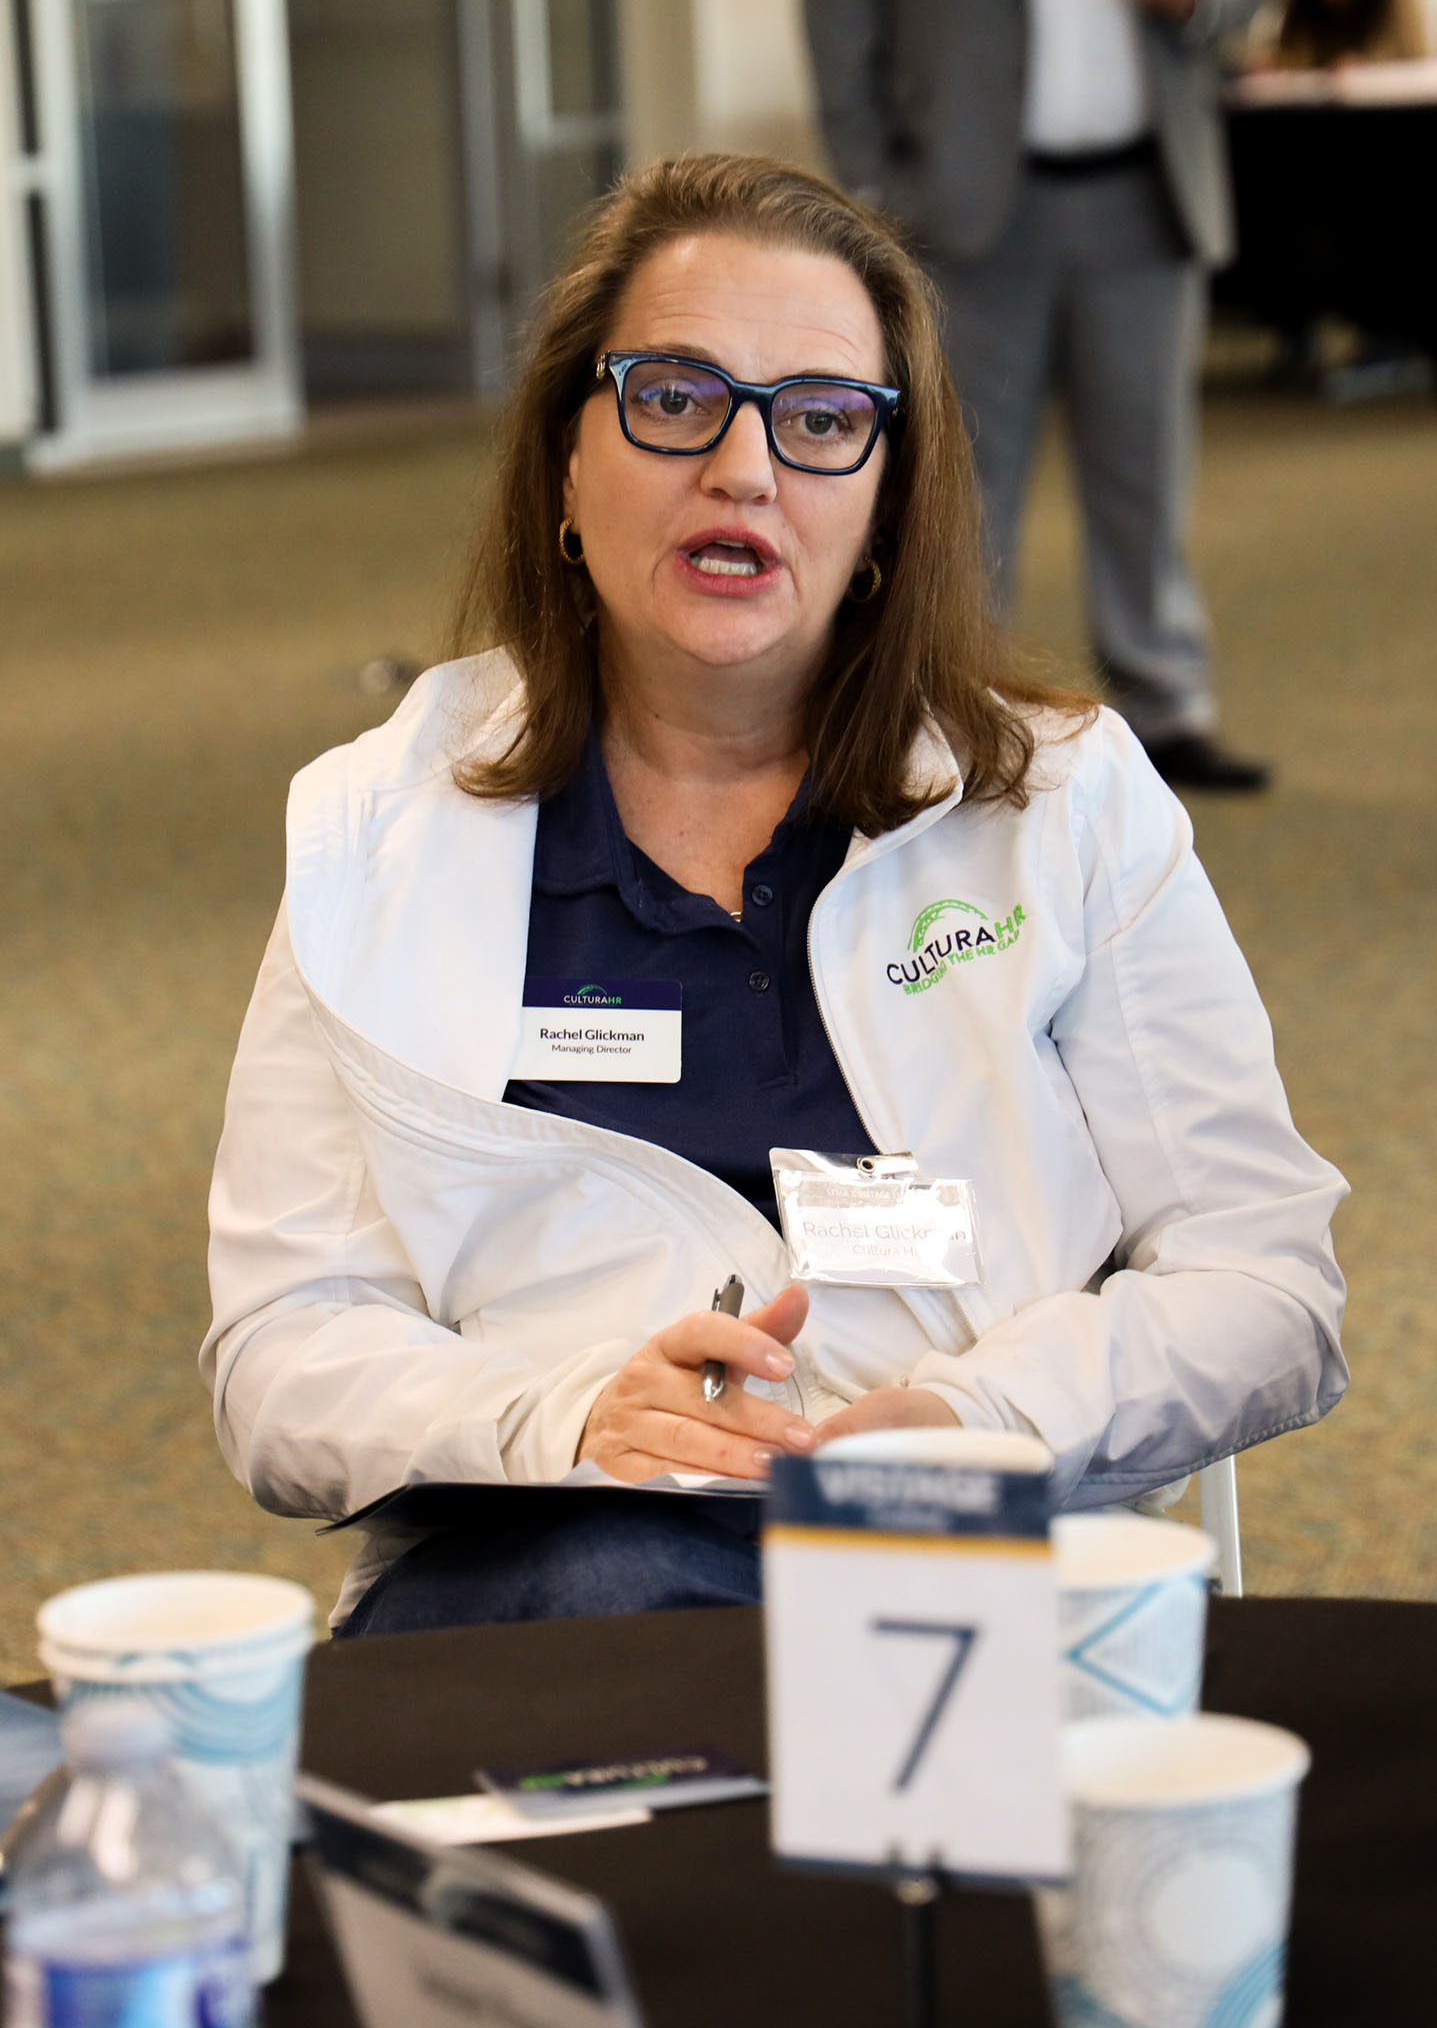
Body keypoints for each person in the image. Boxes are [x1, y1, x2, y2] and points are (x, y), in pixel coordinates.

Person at [201, 154, 1347, 1637]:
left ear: (888, 502)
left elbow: (1265, 1283)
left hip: (955, 1573)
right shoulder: (377, 829)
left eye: (819, 419)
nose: (744, 469)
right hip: (545, 1580)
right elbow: (281, 1355)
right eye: (676, 397)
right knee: (613, 1592)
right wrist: (571, 1419)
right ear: (565, 465)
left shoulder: (1060, 801)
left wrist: (972, 1419)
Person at [804, 0, 1282, 791]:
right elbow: (840, 7)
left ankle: (1165, 704)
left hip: (1147, 191)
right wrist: (870, 182)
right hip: (964, 208)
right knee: (960, 478)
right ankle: (953, 705)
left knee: (1147, 468)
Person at [1266, 0, 1428, 66]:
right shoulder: (1296, 2)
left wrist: (1369, 70)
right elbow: (1288, 59)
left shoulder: (1399, 1)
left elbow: (1419, 67)